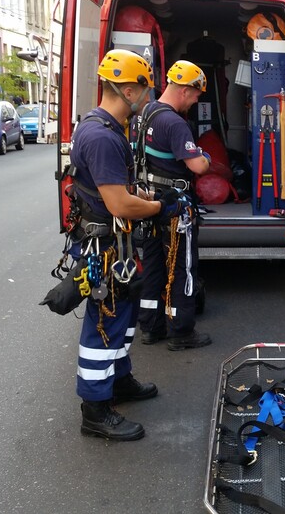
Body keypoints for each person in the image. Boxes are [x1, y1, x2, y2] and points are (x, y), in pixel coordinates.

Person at [68, 49, 190, 440]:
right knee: (104, 325)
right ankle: (95, 409)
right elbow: (118, 203)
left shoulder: (104, 127)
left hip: (112, 242)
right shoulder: (102, 136)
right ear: (125, 88)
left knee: (119, 319)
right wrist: (157, 205)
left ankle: (119, 382)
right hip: (104, 246)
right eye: (143, 89)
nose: (147, 97)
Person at [137, 60, 213, 351]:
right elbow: (199, 166)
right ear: (184, 90)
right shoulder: (174, 122)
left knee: (154, 264)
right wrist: (204, 155)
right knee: (182, 266)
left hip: (149, 201)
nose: (195, 101)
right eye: (195, 95)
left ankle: (151, 326)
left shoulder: (144, 114)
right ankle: (181, 331)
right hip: (174, 207)